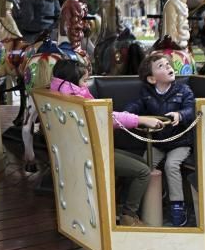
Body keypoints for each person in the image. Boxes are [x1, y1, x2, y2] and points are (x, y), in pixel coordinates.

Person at [49, 59, 162, 227]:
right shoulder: (77, 99)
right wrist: (141, 119)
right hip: (92, 153)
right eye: (83, 81)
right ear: (72, 81)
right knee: (144, 171)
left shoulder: (61, 94)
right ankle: (128, 215)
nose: (86, 85)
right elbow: (107, 117)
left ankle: (121, 206)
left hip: (81, 150)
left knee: (141, 162)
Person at [125, 53, 197, 227]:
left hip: (179, 142)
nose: (168, 67)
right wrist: (128, 113)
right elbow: (136, 104)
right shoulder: (147, 93)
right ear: (151, 79)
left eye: (168, 64)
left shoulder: (183, 91)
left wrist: (180, 114)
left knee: (171, 165)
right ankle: (140, 206)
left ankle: (177, 206)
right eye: (161, 66)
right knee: (144, 165)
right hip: (157, 143)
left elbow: (192, 108)